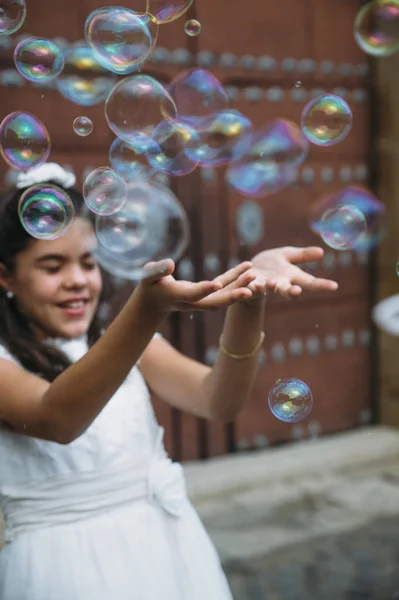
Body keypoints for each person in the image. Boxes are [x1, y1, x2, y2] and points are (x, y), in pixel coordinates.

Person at [0, 163, 338, 600]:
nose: (79, 281)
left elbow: (218, 400)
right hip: (64, 568)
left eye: (88, 262)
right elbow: (57, 418)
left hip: (167, 550)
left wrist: (248, 297)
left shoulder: (121, 341)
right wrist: (147, 308)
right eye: (53, 266)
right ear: (6, 276)